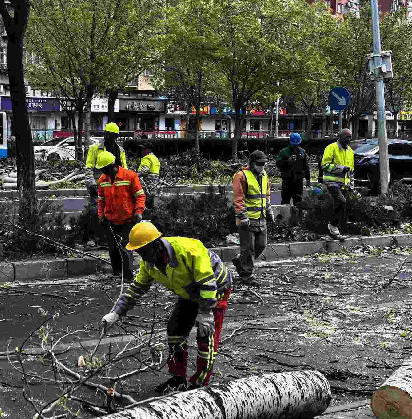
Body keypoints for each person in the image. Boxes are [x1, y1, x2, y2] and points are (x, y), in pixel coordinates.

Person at [100, 222, 233, 391]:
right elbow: (136, 289)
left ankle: (200, 384)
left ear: (156, 245)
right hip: (189, 292)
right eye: (138, 252)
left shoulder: (189, 250)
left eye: (143, 251)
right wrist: (116, 313)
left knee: (205, 336)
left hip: (215, 288)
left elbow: (207, 283)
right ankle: (178, 378)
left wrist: (206, 313)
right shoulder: (149, 263)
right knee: (175, 331)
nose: (141, 256)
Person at [95, 151, 146, 278]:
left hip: (127, 219)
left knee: (125, 247)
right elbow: (101, 199)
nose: (103, 172)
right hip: (110, 220)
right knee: (113, 249)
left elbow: (140, 196)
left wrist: (138, 212)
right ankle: (117, 273)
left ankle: (128, 275)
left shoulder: (130, 176)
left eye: (104, 169)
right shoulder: (103, 179)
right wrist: (101, 215)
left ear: (112, 166)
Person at [232, 151, 272, 286]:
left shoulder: (265, 175)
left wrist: (269, 211)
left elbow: (267, 195)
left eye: (264, 164)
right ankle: (247, 276)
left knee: (261, 245)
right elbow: (238, 198)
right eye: (260, 164)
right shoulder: (241, 176)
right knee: (248, 249)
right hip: (247, 219)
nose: (262, 166)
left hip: (261, 218)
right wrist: (242, 216)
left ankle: (241, 260)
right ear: (252, 163)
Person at [321, 128, 356, 238]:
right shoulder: (331, 148)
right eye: (347, 137)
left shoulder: (350, 151)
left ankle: (335, 232)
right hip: (332, 182)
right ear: (340, 137)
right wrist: (340, 169)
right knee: (341, 202)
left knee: (342, 205)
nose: (349, 139)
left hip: (344, 184)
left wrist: (351, 184)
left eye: (350, 137)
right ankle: (333, 226)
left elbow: (351, 170)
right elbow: (324, 165)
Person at [275, 132, 310, 205]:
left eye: (297, 145)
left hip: (298, 181)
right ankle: (285, 215)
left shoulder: (302, 152)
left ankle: (297, 216)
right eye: (294, 145)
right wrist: (288, 161)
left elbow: (306, 166)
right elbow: (278, 164)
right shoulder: (283, 152)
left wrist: (308, 179)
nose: (295, 146)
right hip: (287, 180)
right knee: (285, 201)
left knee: (298, 202)